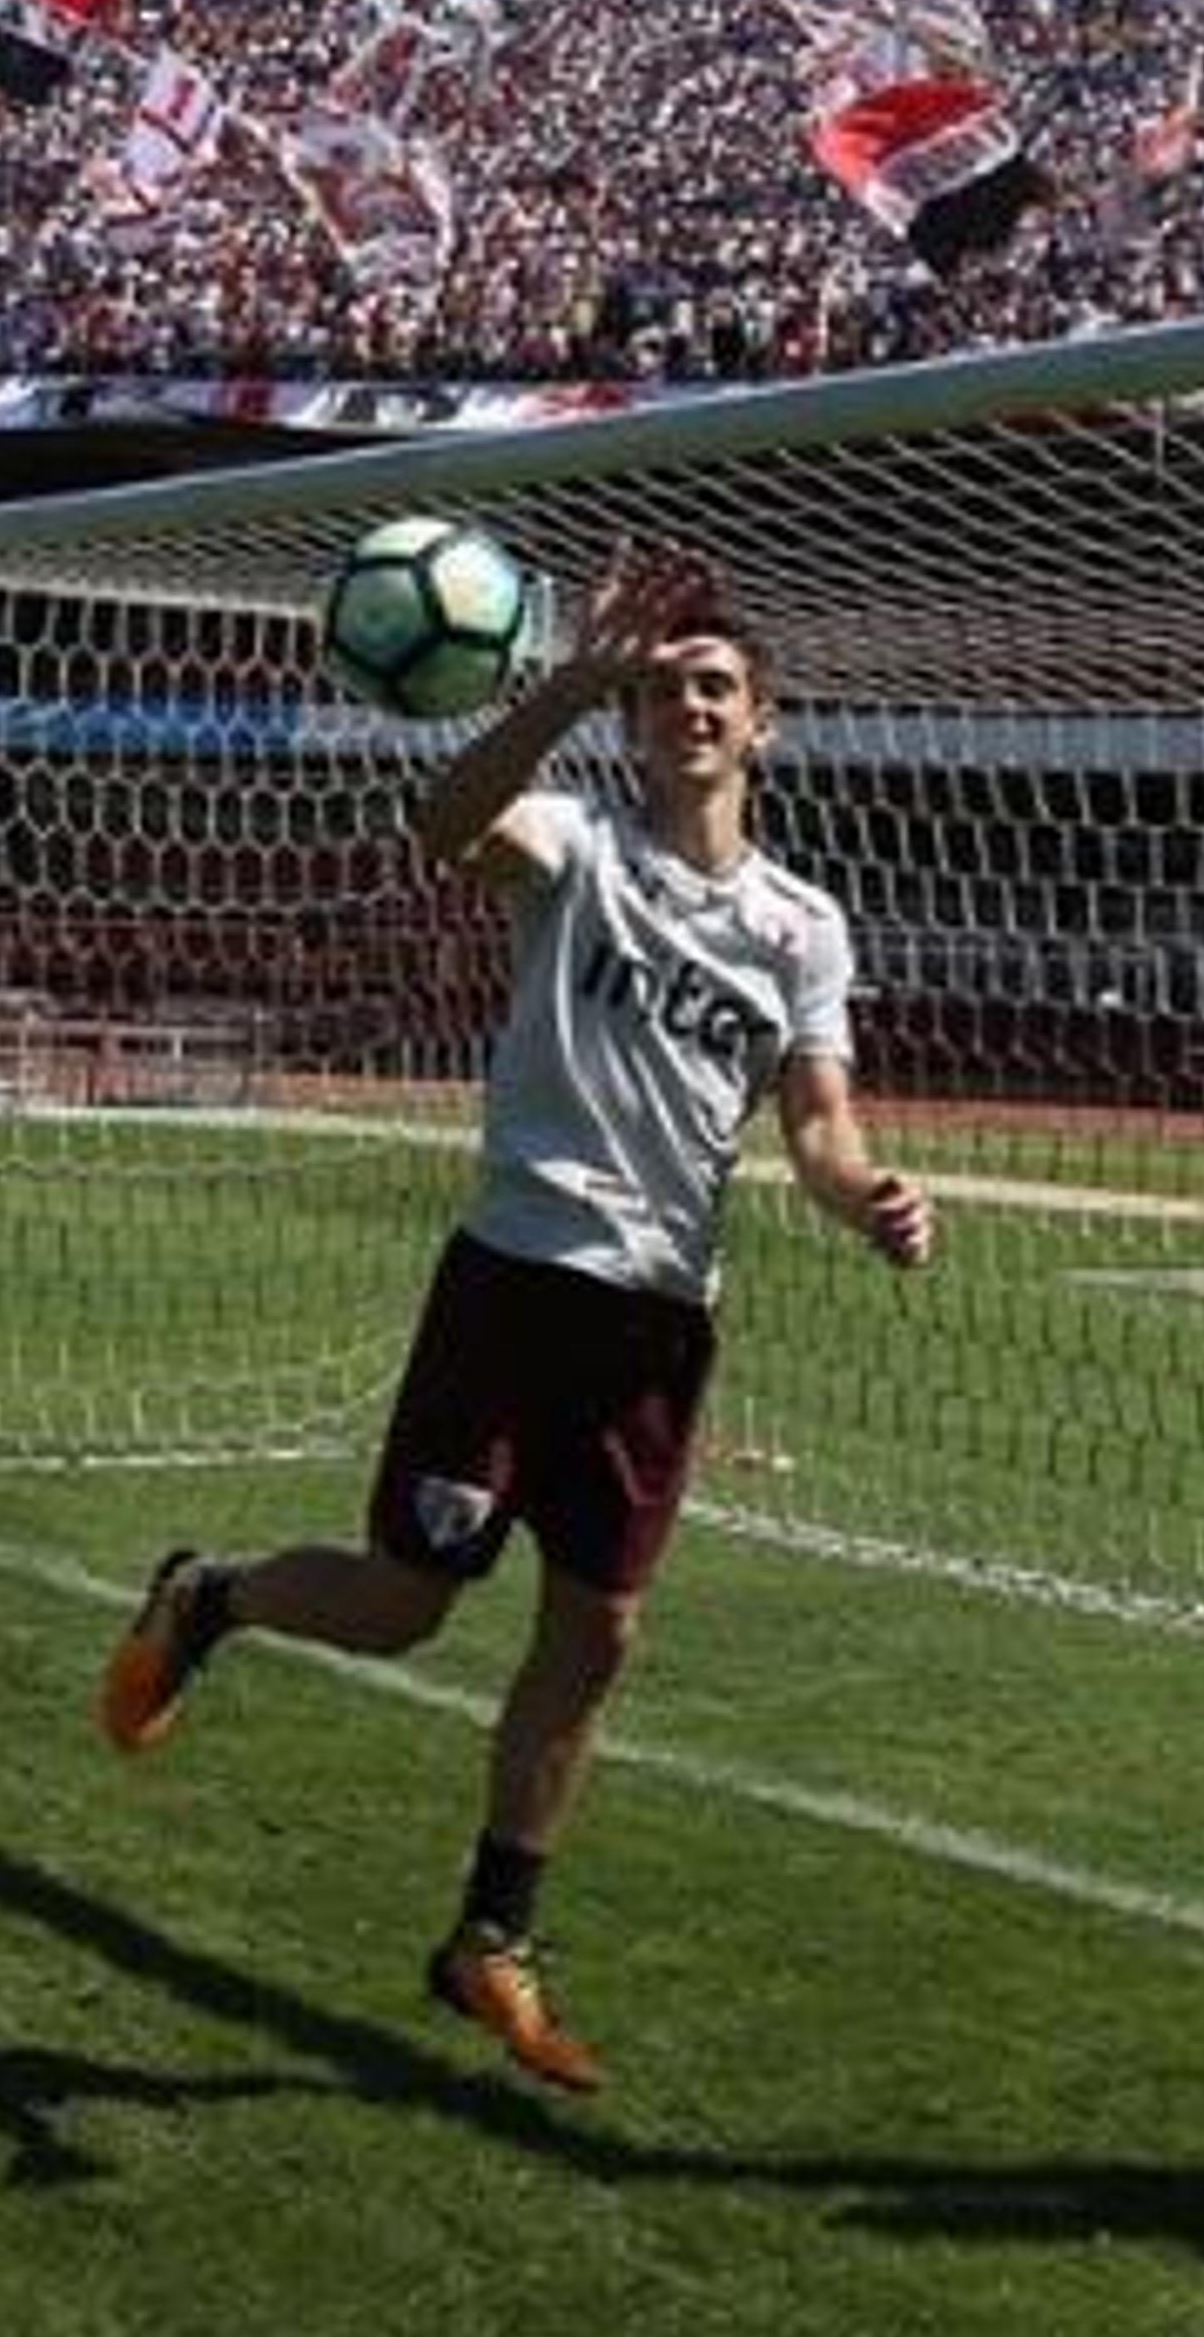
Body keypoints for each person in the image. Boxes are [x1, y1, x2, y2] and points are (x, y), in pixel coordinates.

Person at [96, 541, 935, 2093]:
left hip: (661, 1323)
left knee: (599, 1629)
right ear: (630, 718)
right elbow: (440, 821)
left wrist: (868, 1195)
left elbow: (818, 1126)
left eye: (716, 687)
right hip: (514, 1282)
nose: (688, 705)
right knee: (411, 1606)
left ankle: (492, 1935)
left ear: (767, 725)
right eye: (665, 686)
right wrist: (569, 677)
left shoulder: (805, 927)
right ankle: (209, 1598)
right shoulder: (577, 842)